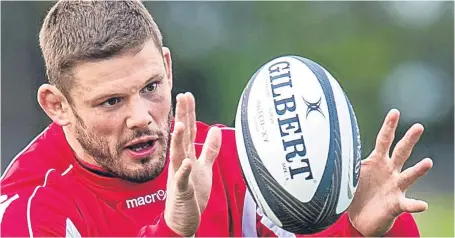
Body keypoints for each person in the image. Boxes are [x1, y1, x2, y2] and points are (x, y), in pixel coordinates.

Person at [0, 1, 433, 237]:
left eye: (151, 87)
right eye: (110, 102)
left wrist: (359, 228)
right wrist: (173, 230)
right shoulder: (26, 211)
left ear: (168, 68)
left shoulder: (234, 159)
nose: (140, 117)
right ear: (56, 104)